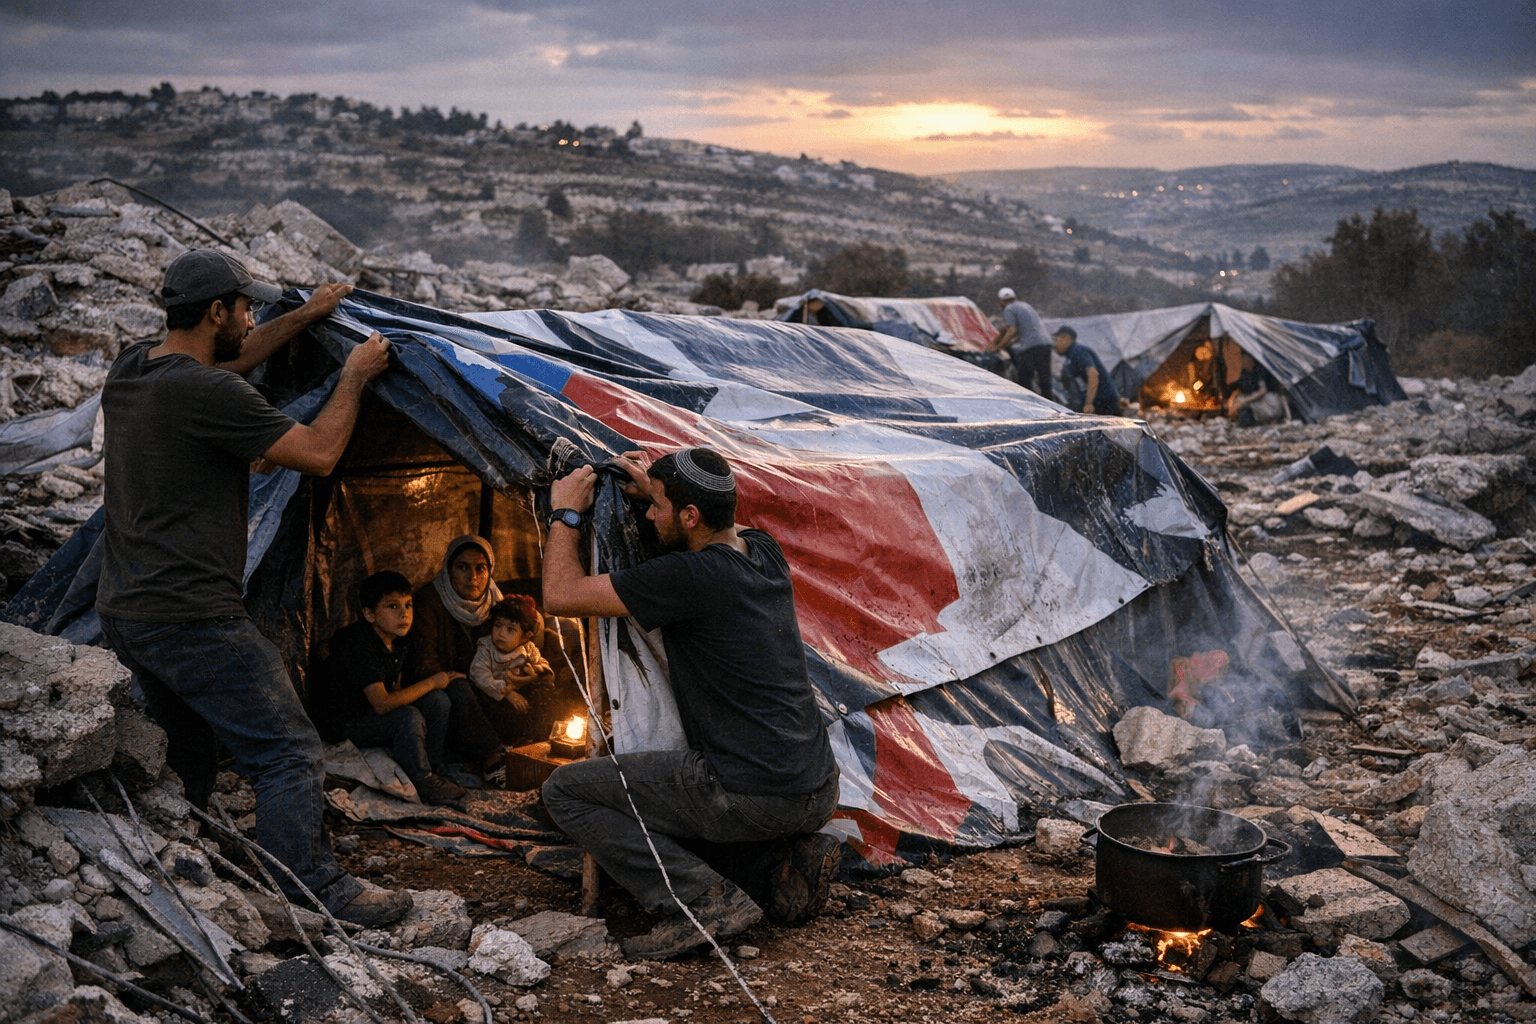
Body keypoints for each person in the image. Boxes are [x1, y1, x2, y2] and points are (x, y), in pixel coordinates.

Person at [96, 249, 411, 927]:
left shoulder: (131, 369)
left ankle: (186, 861)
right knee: (288, 747)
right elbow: (319, 453)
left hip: (126, 606)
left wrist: (306, 315)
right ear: (217, 312)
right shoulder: (211, 393)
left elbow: (228, 363)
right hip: (192, 614)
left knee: (189, 750)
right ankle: (312, 889)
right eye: (245, 309)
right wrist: (352, 377)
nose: (251, 320)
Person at [540, 447, 841, 961]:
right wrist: (656, 488)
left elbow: (560, 595)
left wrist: (564, 513)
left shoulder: (688, 576)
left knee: (565, 792)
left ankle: (699, 901)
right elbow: (722, 517)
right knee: (676, 805)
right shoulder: (763, 551)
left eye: (657, 507)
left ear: (690, 517)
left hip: (750, 792)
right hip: (816, 785)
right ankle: (777, 869)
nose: (648, 516)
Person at [327, 571, 477, 807]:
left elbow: (395, 689)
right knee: (409, 716)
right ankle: (420, 779)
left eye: (408, 605)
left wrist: (439, 683)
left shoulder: (399, 638)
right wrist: (432, 681)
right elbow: (381, 703)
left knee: (438, 700)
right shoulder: (358, 643)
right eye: (393, 606)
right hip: (348, 723)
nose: (404, 614)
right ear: (369, 614)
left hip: (375, 715)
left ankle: (432, 768)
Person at [403, 534, 510, 782]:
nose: (473, 577)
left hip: (479, 682)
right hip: (441, 686)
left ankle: (525, 750)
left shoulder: (495, 602)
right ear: (449, 569)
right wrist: (469, 679)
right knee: (458, 688)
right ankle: (492, 758)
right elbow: (424, 664)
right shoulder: (429, 601)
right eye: (462, 567)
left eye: (480, 568)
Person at [469, 595, 558, 746]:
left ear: (525, 636)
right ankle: (504, 744)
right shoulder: (486, 648)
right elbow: (479, 674)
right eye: (498, 626)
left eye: (510, 629)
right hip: (496, 695)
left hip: (522, 693)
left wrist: (539, 670)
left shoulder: (527, 648)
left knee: (544, 690)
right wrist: (507, 693)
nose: (501, 633)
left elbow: (540, 661)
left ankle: (536, 737)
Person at [991, 287, 1055, 400]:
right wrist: (1009, 342)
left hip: (1031, 347)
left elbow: (1012, 330)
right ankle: (1050, 404)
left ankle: (1026, 404)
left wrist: (998, 347)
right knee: (1045, 379)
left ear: (1001, 301)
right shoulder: (1026, 306)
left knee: (1024, 379)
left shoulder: (1008, 309)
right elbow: (1026, 330)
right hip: (1045, 344)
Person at [1052, 325, 1121, 415]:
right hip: (1098, 400)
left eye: (1056, 340)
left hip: (1104, 400)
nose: (1055, 344)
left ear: (1066, 338)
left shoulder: (1078, 351)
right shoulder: (1070, 356)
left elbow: (1093, 374)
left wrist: (1088, 403)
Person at [1226, 353, 1289, 426]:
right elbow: (1238, 384)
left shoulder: (1260, 370)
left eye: (1244, 359)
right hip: (1259, 402)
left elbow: (1262, 391)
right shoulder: (1245, 373)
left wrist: (1244, 401)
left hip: (1270, 403)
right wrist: (1232, 395)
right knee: (1239, 399)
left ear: (1251, 359)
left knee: (1241, 401)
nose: (1243, 362)